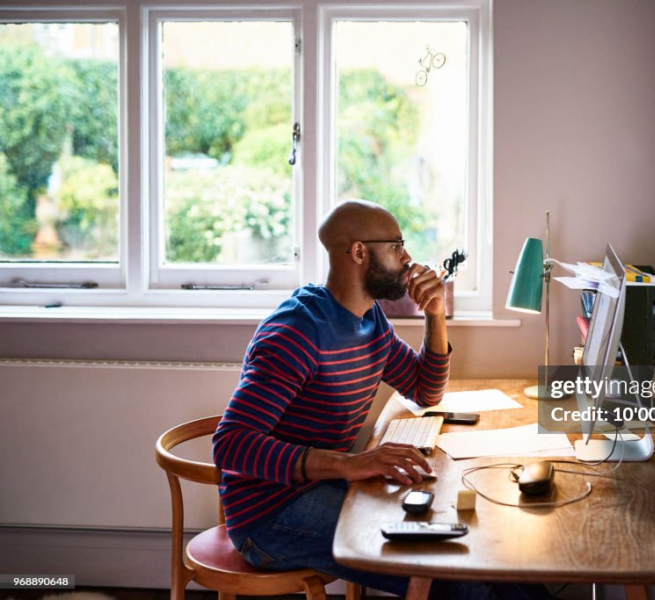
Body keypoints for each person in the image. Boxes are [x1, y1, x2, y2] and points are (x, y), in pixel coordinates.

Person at [212, 200, 504, 598]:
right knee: (453, 575)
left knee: (478, 546)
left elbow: (424, 390)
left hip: (323, 487)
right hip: (269, 515)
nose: (408, 258)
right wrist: (351, 464)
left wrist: (435, 314)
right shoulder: (298, 332)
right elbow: (230, 445)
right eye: (397, 246)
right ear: (359, 252)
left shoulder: (370, 320)